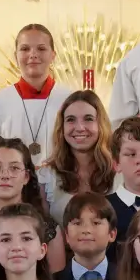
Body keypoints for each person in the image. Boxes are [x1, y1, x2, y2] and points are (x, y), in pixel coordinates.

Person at [0, 25, 74, 166]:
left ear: (53, 55)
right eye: (25, 49)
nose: (33, 54)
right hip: (12, 185)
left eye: (41, 49)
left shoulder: (70, 101)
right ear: (15, 56)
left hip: (62, 184)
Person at [0, 137, 53, 256]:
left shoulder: (46, 228)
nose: (5, 175)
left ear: (26, 177)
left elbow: (54, 274)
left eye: (14, 168)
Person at [40, 90, 117, 224]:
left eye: (88, 119)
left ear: (101, 124)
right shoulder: (45, 177)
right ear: (61, 127)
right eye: (71, 120)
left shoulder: (120, 173)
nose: (80, 127)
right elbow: (40, 231)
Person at [56, 192, 118, 280]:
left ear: (112, 234)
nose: (86, 230)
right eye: (77, 223)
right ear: (66, 235)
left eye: (96, 223)